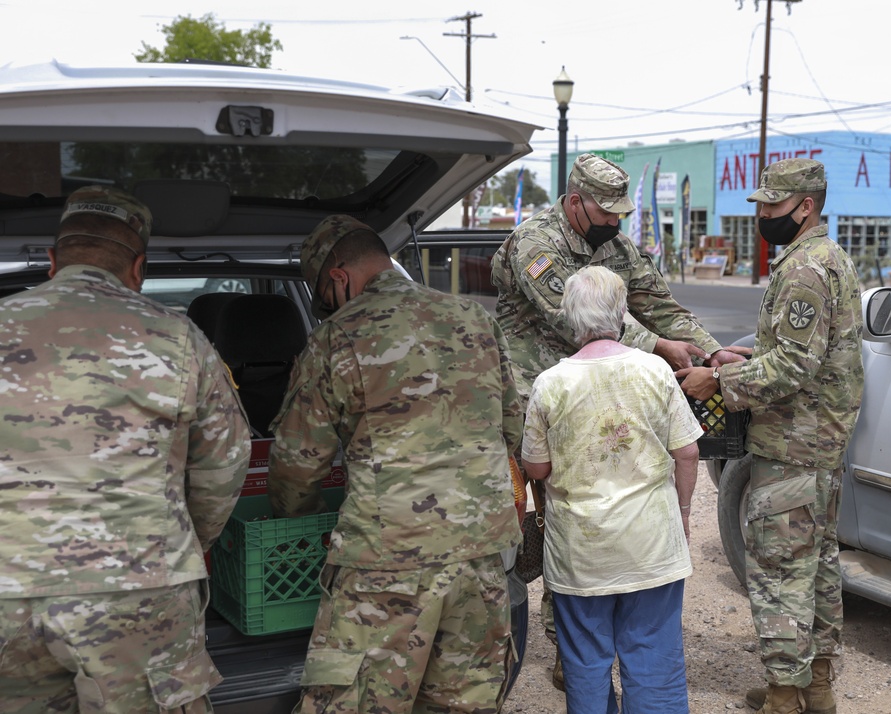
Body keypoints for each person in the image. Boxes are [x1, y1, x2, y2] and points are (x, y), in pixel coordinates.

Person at [491, 151, 745, 684]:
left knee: (604, 512)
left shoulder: (614, 243)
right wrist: (657, 345)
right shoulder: (537, 244)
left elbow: (659, 302)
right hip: (541, 400)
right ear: (575, 202)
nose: (617, 221)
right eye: (607, 211)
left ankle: (591, 635)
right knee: (557, 516)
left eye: (621, 212)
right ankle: (569, 649)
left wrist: (708, 348)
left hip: (601, 397)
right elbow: (576, 319)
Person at [0, 186, 252, 712]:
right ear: (139, 267)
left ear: (51, 261)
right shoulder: (178, 337)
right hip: (141, 592)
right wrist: (185, 545)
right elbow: (225, 464)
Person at [267, 214, 523, 714]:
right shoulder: (476, 320)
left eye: (322, 300)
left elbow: (299, 467)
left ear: (338, 279)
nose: (324, 312)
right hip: (481, 562)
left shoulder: (337, 338)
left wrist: (296, 525)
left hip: (386, 569)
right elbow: (512, 428)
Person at [677, 158, 864, 714]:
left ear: (805, 206)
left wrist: (718, 376)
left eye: (773, 206)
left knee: (781, 571)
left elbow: (792, 372)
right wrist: (753, 354)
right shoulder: (831, 260)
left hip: (792, 448)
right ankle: (817, 686)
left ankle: (785, 694)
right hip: (821, 448)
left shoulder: (804, 269)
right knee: (820, 567)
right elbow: (811, 352)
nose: (763, 215)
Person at [519, 265, 702, 714]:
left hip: (581, 552)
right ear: (622, 314)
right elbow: (688, 453)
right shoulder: (654, 371)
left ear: (569, 318)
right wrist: (681, 513)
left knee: (585, 660)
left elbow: (537, 468)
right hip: (651, 545)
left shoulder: (550, 383)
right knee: (654, 657)